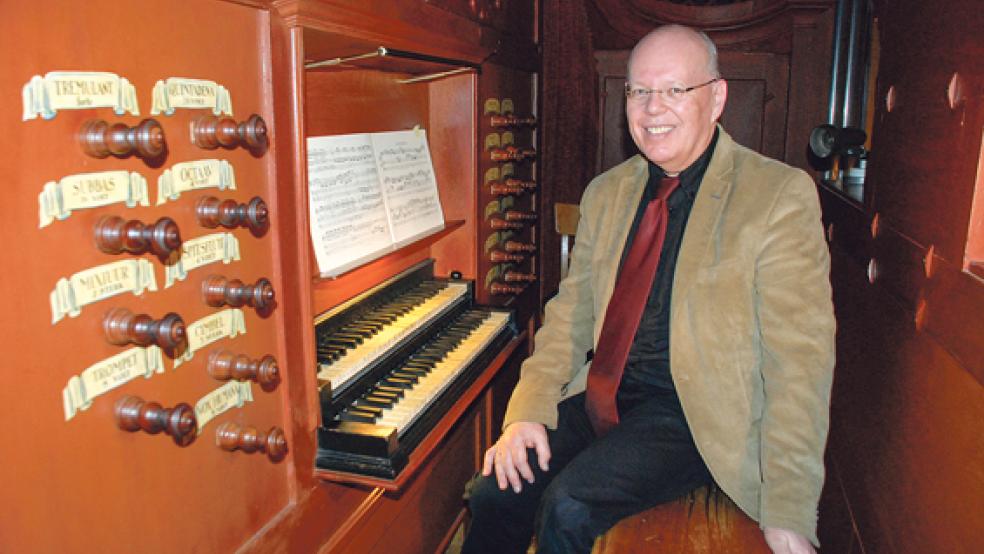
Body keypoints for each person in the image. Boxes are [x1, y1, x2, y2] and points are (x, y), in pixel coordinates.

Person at [462, 24, 835, 554]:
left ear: (717, 97)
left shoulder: (776, 196)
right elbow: (570, 315)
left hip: (692, 413)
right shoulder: (608, 193)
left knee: (567, 507)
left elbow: (800, 362)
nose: (652, 108)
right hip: (602, 394)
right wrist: (528, 409)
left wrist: (790, 507)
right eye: (639, 91)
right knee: (496, 492)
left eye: (674, 90)